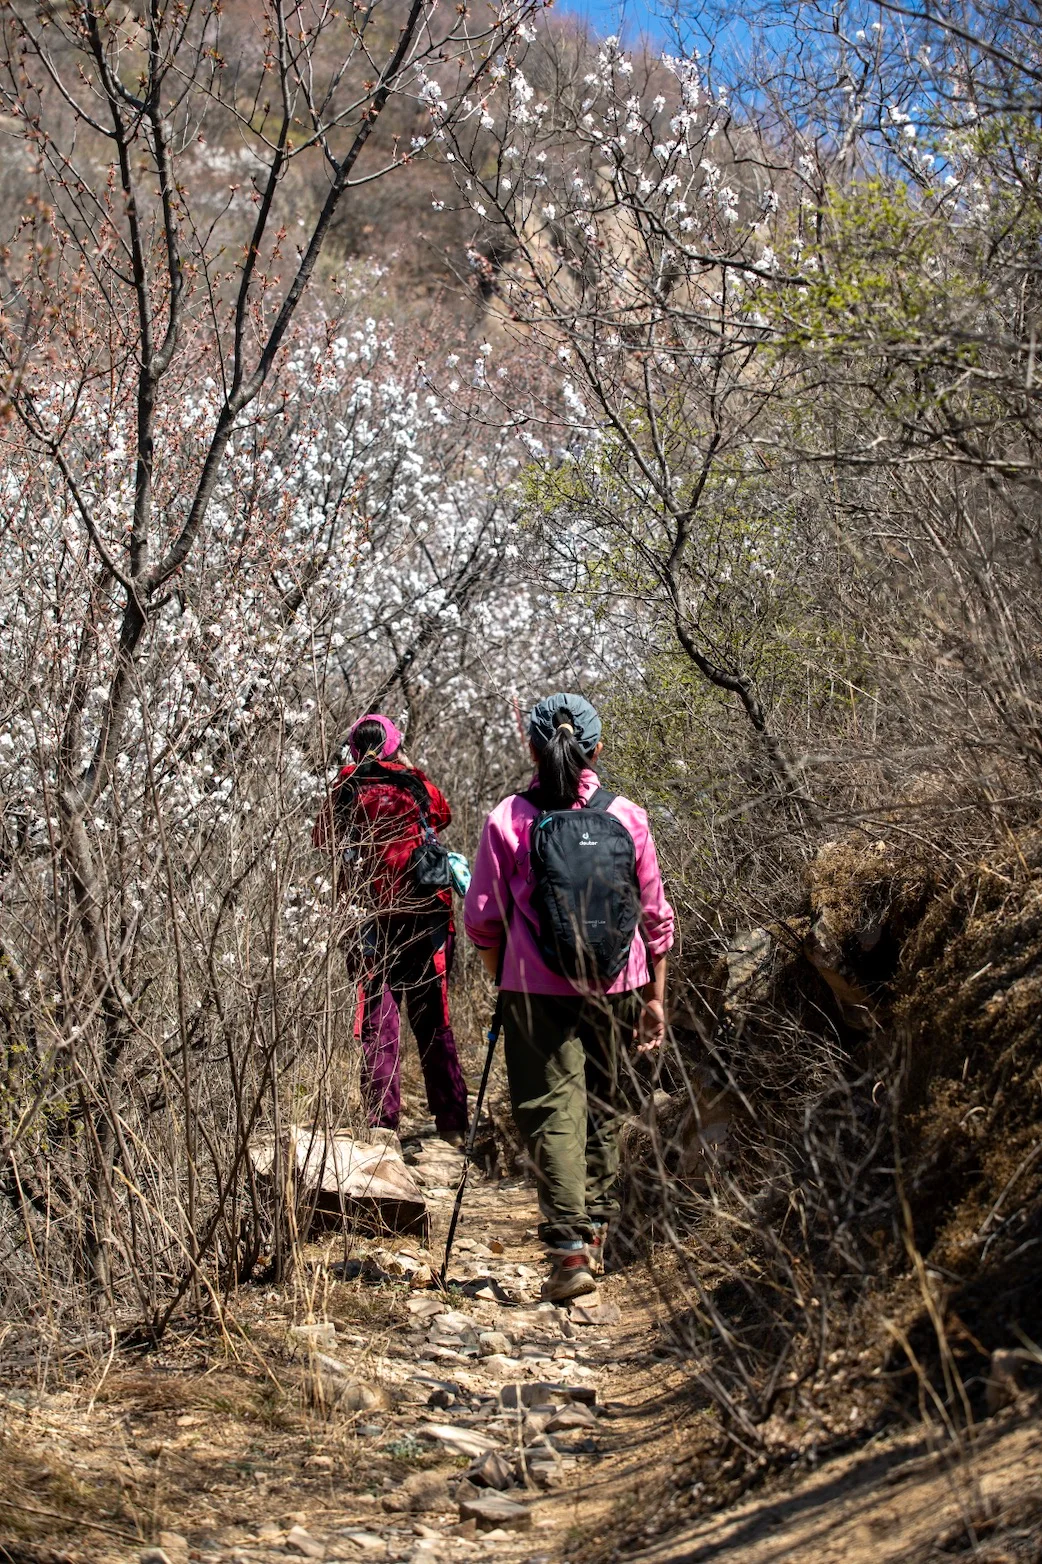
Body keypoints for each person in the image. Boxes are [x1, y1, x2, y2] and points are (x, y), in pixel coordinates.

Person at [464, 692, 674, 1301]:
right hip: (621, 985)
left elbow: (481, 921)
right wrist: (656, 999)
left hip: (535, 991)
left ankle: (569, 1250)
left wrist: (504, 977)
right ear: (597, 750)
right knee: (604, 1105)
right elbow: (656, 919)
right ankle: (598, 1230)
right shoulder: (627, 817)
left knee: (552, 1110)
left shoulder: (508, 819)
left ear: (531, 748)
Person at [314, 713, 469, 1145]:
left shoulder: (345, 788)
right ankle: (453, 1125)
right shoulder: (415, 784)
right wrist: (409, 772)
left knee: (378, 1024)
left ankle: (381, 1127)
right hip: (426, 917)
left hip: (369, 921)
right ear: (394, 746)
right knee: (434, 1019)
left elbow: (322, 839)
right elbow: (442, 815)